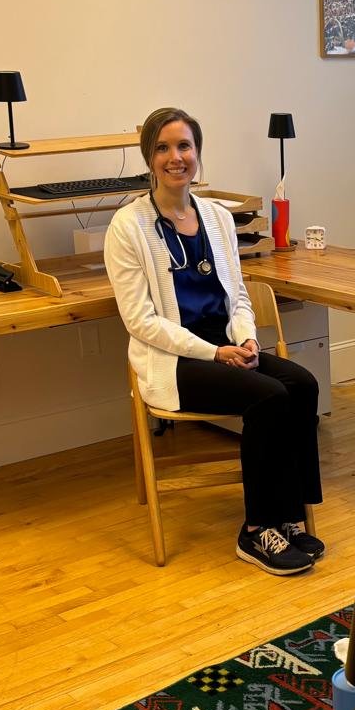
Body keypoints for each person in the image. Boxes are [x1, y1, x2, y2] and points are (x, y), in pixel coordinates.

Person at [105, 107, 325, 575]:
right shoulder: (127, 226)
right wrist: (214, 352)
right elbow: (140, 322)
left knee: (302, 385)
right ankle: (255, 531)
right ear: (149, 156)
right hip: (177, 360)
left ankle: (288, 515)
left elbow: (238, 295)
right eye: (163, 147)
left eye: (184, 146)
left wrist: (244, 339)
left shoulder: (217, 218)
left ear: (197, 154)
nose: (175, 157)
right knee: (268, 397)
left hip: (227, 348)